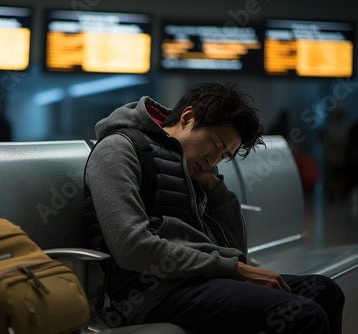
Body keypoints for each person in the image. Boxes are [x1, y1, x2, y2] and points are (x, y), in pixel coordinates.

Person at [83, 82, 344, 333]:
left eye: (223, 157)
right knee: (304, 315)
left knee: (325, 291)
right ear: (187, 117)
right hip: (151, 293)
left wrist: (216, 189)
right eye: (216, 146)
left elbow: (235, 250)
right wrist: (233, 268)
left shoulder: (195, 167)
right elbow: (132, 247)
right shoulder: (119, 149)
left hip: (204, 280)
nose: (213, 160)